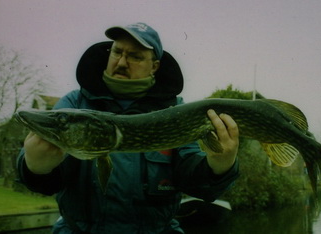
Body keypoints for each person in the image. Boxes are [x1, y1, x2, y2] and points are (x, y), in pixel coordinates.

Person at [17, 22, 240, 233]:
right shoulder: (74, 105)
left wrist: (220, 164)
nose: (122, 62)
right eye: (117, 52)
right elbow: (48, 182)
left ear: (154, 66)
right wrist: (35, 167)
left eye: (135, 56)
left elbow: (195, 181)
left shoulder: (177, 111)